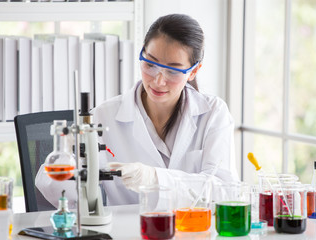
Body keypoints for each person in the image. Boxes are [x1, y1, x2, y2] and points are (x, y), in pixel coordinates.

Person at [36, 13, 239, 207]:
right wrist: (68, 154)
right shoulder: (104, 116)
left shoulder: (213, 113)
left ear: (193, 71)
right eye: (150, 64)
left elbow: (225, 192)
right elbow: (66, 196)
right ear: (142, 53)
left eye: (173, 70)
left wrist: (155, 178)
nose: (158, 81)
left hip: (193, 229)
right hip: (131, 229)